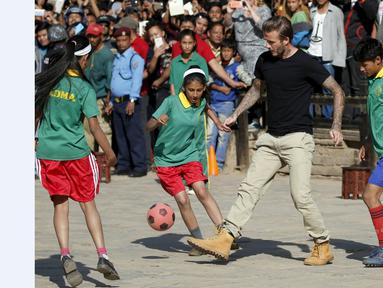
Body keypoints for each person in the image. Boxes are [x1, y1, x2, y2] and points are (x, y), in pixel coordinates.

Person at [187, 16, 345, 265]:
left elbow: (337, 89)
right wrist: (236, 115)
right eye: (266, 40)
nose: (267, 45)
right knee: (248, 188)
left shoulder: (305, 62)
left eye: (271, 42)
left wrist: (336, 125)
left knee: (300, 196)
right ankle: (225, 239)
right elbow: (256, 90)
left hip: (298, 138)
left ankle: (322, 245)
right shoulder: (264, 60)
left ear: (286, 39)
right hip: (271, 138)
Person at [35, 35, 120, 287]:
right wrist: (110, 153)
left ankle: (64, 254)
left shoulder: (49, 82)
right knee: (88, 204)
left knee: (60, 206)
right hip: (76, 155)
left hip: (49, 154)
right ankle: (102, 255)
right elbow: (93, 127)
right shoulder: (84, 89)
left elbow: (35, 114)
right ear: (84, 59)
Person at [146, 66, 225, 256]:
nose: (195, 94)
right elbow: (148, 126)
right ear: (183, 88)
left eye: (199, 90)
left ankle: (225, 234)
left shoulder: (201, 101)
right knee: (182, 199)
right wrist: (157, 122)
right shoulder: (171, 102)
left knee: (201, 190)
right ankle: (198, 242)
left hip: (189, 155)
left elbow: (206, 107)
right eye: (191, 90)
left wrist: (218, 122)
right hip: (165, 159)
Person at [353, 38, 383, 267]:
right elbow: (374, 115)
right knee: (371, 196)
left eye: (365, 64)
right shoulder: (374, 81)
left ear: (378, 60)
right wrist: (366, 139)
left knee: (370, 195)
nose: (362, 69)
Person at [207, 40, 253, 171]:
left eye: (228, 51)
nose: (226, 54)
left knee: (223, 135)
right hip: (213, 103)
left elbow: (248, 80)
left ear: (233, 53)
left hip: (227, 105)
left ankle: (219, 165)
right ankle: (208, 164)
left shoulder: (236, 67)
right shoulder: (216, 65)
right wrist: (220, 88)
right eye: (224, 51)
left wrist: (240, 84)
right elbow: (208, 80)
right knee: (210, 135)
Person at [110, 27, 147, 177]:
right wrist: (111, 101)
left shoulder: (134, 58)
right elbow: (115, 80)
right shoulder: (117, 58)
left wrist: (132, 99)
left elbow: (137, 80)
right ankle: (124, 165)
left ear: (130, 40)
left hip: (129, 101)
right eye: (118, 40)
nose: (121, 43)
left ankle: (139, 166)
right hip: (117, 101)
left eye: (124, 40)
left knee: (134, 134)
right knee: (120, 135)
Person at [307, 0, 346, 120]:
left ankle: (328, 119)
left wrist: (339, 59)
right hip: (311, 54)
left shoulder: (336, 11)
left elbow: (341, 36)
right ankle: (309, 118)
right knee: (309, 88)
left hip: (328, 56)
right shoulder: (312, 11)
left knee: (329, 89)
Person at [84, 23, 114, 151]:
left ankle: (105, 163)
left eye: (94, 36)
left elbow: (110, 78)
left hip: (100, 98)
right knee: (87, 131)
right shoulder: (88, 52)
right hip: (87, 98)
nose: (91, 39)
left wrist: (108, 101)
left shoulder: (106, 55)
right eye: (89, 36)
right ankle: (89, 162)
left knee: (103, 131)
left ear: (101, 36)